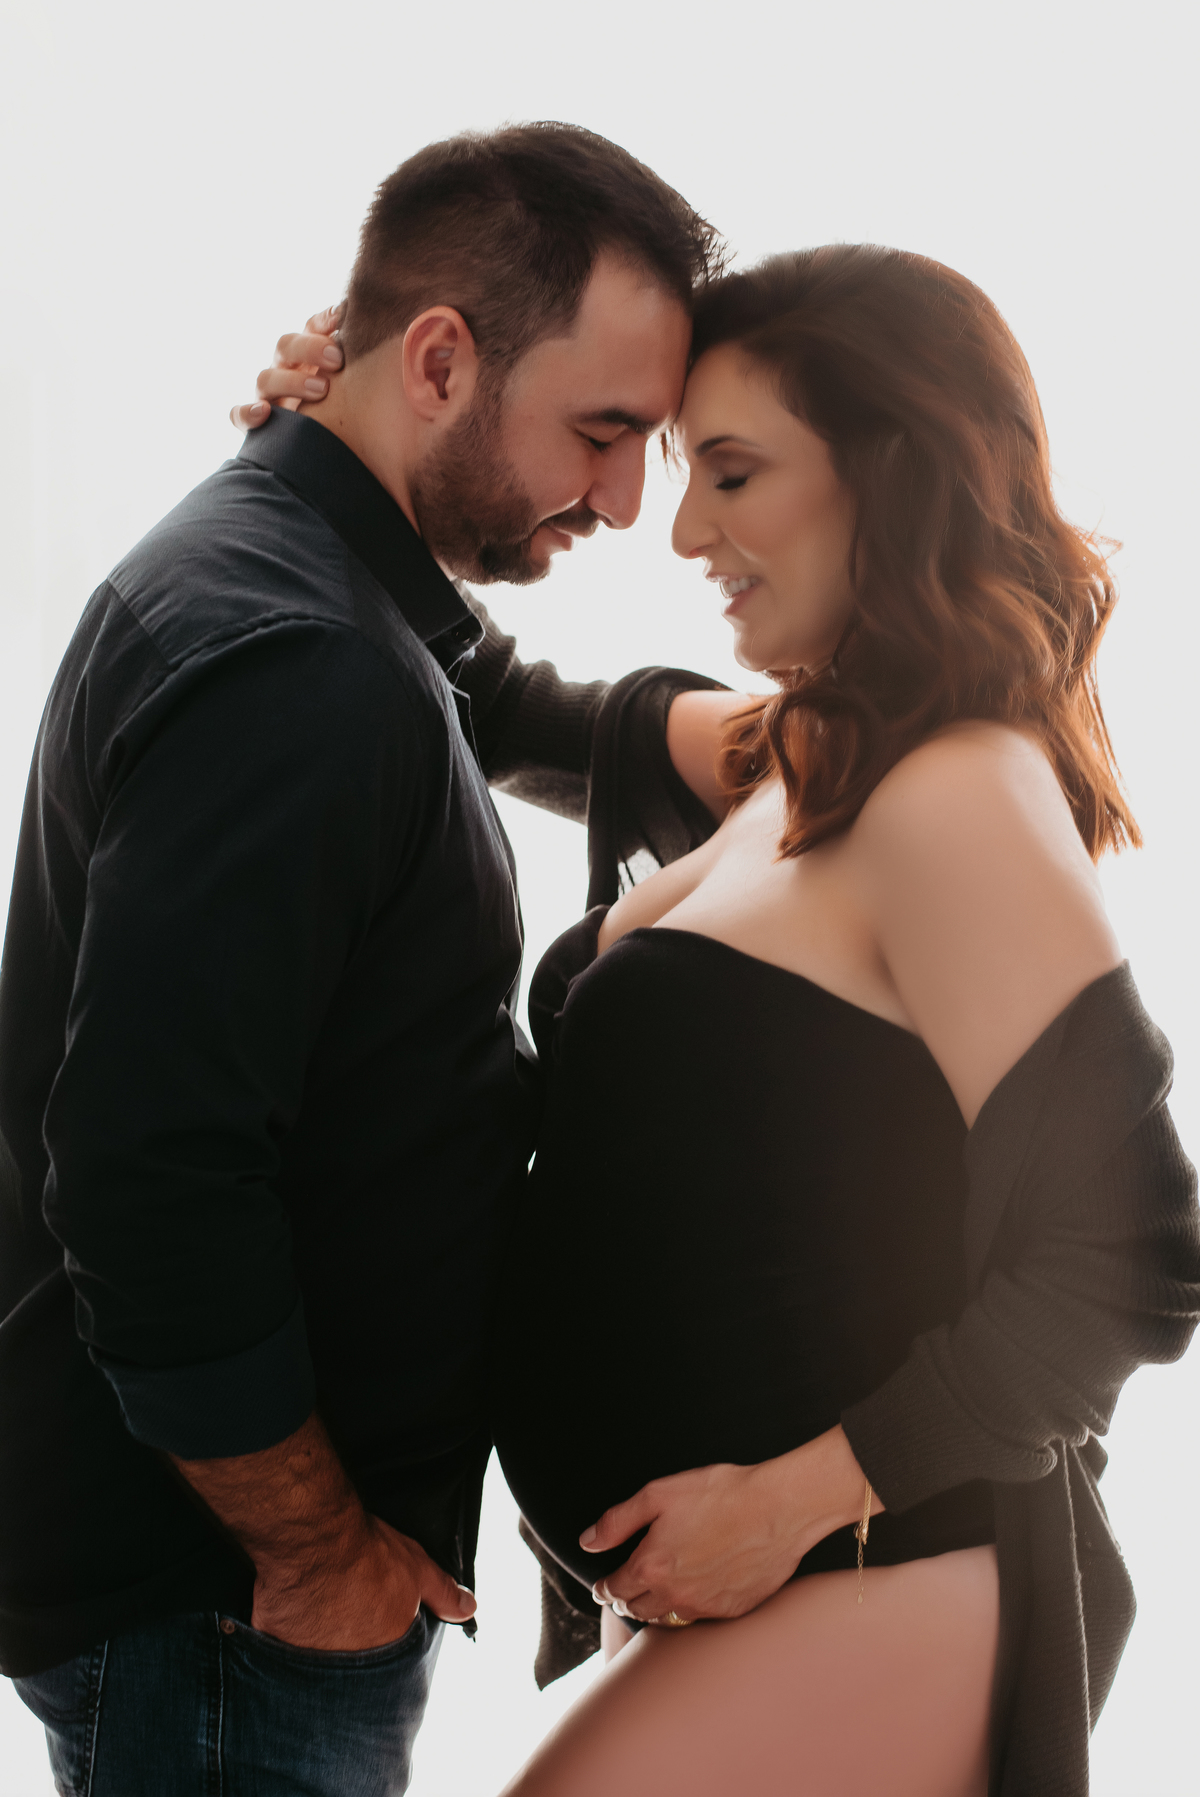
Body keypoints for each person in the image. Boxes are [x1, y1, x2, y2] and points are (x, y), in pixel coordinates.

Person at [0, 122, 740, 1797]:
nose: (629, 500)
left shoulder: (316, 567)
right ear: (440, 360)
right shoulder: (301, 662)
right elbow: (146, 1173)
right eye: (605, 434)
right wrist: (316, 1548)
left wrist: (758, 747)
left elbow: (469, 691)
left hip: (217, 1598)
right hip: (229, 1608)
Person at [475, 247, 1199, 1796]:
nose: (685, 528)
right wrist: (332, 437)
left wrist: (791, 1503)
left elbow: (1136, 1254)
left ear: (894, 475)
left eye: (732, 472)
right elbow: (498, 705)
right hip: (758, 1599)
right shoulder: (792, 753)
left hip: (878, 1577)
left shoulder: (961, 793)